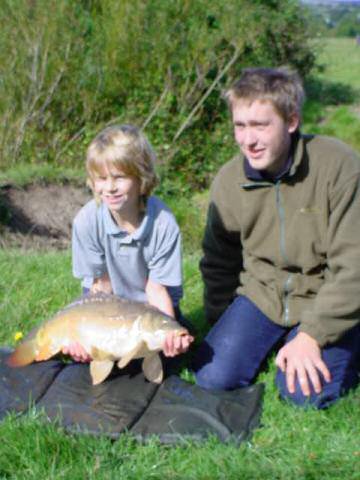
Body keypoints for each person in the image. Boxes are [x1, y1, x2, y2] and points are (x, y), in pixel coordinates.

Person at [193, 67, 360, 408]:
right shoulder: (228, 180)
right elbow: (218, 261)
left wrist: (313, 333)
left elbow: (354, 266)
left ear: (292, 121)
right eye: (240, 125)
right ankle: (283, 338)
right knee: (212, 377)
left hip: (323, 294)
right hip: (263, 295)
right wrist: (222, 324)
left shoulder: (339, 166)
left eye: (260, 125)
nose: (248, 139)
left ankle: (340, 339)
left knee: (304, 395)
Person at [65, 124, 193, 362]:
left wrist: (169, 335)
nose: (110, 187)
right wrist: (91, 340)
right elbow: (100, 288)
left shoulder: (163, 222)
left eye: (119, 177)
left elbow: (156, 289)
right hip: (107, 304)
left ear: (141, 178)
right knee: (91, 353)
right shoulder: (87, 220)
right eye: (101, 179)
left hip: (150, 307)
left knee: (175, 353)